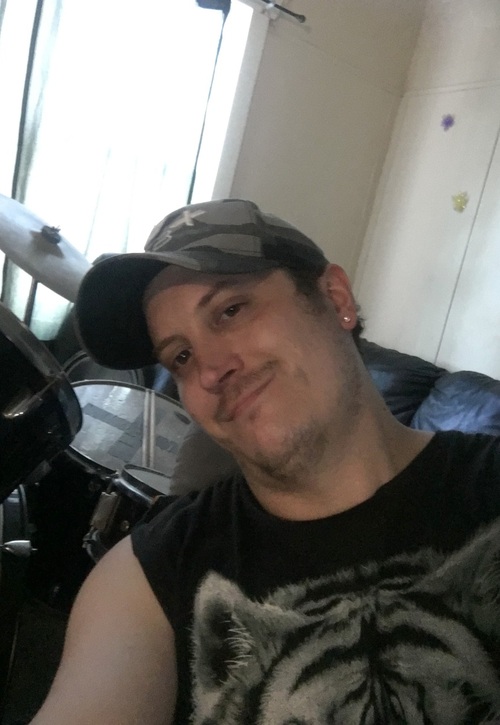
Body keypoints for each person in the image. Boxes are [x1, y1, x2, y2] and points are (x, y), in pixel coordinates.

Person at [31, 199, 500, 724]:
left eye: (230, 311)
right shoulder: (143, 584)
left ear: (335, 298)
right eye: (181, 356)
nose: (210, 371)